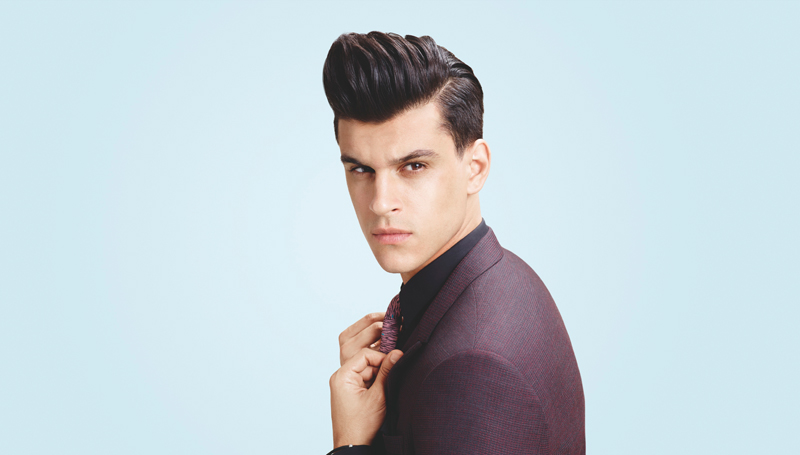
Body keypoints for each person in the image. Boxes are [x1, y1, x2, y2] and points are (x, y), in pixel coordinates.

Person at [325, 32, 585, 455]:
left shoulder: (475, 367)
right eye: (361, 169)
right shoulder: (498, 275)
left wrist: (351, 444)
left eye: (413, 166)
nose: (380, 202)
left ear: (475, 168)